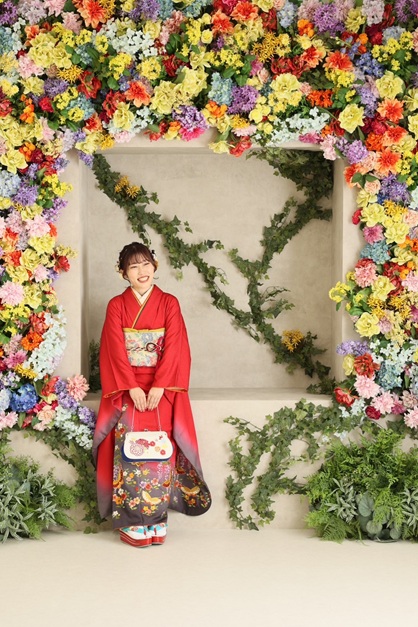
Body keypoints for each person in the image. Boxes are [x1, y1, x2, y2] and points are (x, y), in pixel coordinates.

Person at [92, 242, 211, 547]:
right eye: (133, 267)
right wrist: (131, 386)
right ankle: (132, 522)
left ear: (155, 266)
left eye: (146, 264)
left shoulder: (169, 303)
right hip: (128, 389)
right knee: (130, 453)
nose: (141, 271)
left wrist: (160, 384)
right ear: (123, 273)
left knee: (160, 454)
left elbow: (175, 346)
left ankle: (157, 519)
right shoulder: (116, 306)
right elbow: (114, 349)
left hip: (162, 390)